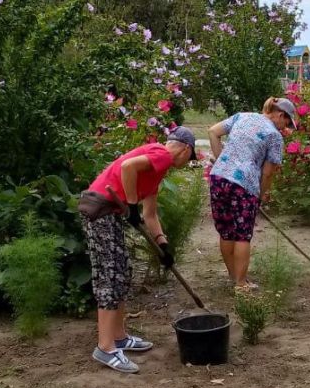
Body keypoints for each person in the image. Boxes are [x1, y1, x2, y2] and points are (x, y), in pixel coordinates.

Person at [77, 127, 197, 373]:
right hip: (100, 211)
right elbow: (127, 167)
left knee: (122, 272)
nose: (188, 163)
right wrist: (131, 204)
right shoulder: (162, 154)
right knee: (110, 277)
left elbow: (150, 215)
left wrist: (163, 245)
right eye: (191, 157)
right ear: (186, 149)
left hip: (109, 214)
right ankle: (106, 347)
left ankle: (119, 337)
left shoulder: (157, 171)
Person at [207, 97, 297, 289]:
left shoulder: (243, 116)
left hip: (218, 178)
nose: (285, 127)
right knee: (242, 235)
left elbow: (213, 132)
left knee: (226, 231)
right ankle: (241, 284)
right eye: (287, 122)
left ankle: (234, 276)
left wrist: (221, 160)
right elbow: (268, 172)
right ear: (281, 115)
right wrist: (259, 196)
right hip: (244, 185)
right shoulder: (274, 135)